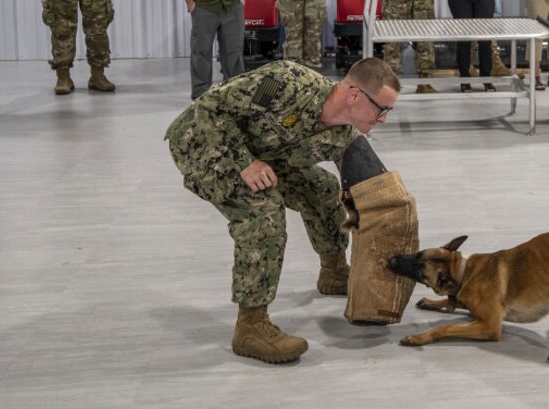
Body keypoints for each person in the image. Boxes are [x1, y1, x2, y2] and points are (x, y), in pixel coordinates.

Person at [165, 58, 410, 364]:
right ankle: (250, 327)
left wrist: (400, 241)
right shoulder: (286, 83)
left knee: (322, 189)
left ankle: (333, 272)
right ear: (354, 96)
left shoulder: (344, 136)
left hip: (265, 155)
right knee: (262, 212)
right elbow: (211, 108)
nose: (384, 118)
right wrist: (245, 162)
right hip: (204, 142)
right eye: (381, 109)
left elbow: (378, 190)